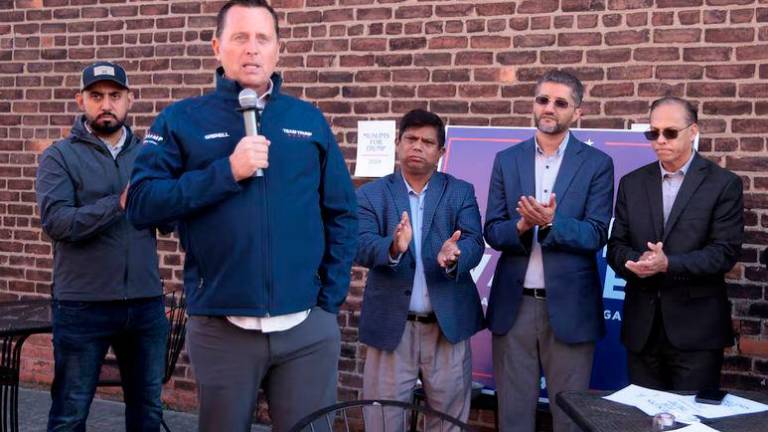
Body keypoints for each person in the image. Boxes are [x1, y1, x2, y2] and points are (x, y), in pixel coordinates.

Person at [126, 1, 358, 431]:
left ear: (277, 50)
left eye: (262, 38)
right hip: (222, 328)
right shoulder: (181, 120)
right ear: (217, 47)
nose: (252, 49)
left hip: (306, 326)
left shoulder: (307, 120)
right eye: (239, 37)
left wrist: (329, 300)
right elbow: (141, 203)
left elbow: (342, 213)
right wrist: (225, 172)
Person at [36, 61, 168, 432]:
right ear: (81, 100)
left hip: (144, 305)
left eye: (114, 96)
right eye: (96, 96)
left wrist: (174, 198)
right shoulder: (59, 156)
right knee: (69, 414)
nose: (105, 104)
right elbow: (58, 223)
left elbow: (168, 221)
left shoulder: (150, 156)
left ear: (129, 100)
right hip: (82, 306)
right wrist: (120, 202)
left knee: (147, 413)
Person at [484, 70, 614, 432]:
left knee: (570, 418)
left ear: (577, 112)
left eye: (560, 103)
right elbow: (493, 229)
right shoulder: (506, 160)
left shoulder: (597, 165)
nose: (549, 108)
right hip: (515, 306)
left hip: (571, 308)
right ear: (533, 104)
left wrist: (553, 225)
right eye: (543, 99)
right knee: (512, 416)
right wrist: (522, 226)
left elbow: (597, 233)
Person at [355, 109, 484, 429]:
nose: (417, 146)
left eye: (428, 142)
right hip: (390, 327)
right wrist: (394, 246)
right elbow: (359, 245)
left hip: (446, 327)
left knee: (447, 421)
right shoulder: (372, 195)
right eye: (411, 139)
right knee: (382, 419)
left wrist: (455, 254)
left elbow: (474, 242)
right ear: (398, 144)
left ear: (441, 152)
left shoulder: (459, 191)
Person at [607, 96, 743, 391]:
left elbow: (724, 253)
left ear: (693, 131)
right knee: (642, 419)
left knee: (691, 422)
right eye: (652, 133)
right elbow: (615, 245)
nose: (659, 140)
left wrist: (668, 264)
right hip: (641, 329)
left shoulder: (723, 184)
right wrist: (634, 262)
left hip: (696, 333)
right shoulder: (632, 183)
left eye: (669, 132)